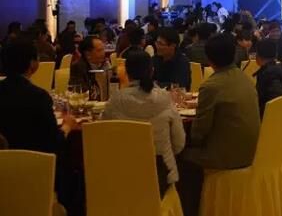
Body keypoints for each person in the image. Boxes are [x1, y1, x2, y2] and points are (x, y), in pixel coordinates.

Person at [179, 33, 261, 216]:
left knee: (181, 156)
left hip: (226, 156)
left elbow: (199, 133)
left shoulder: (212, 86)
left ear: (209, 59)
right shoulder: (246, 79)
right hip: (251, 150)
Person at [102, 50, 185, 197]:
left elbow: (104, 136)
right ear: (152, 71)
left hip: (124, 175)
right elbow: (179, 142)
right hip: (162, 174)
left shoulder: (116, 100)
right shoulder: (165, 99)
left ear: (126, 73)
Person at [0, 37, 77, 154]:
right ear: (32, 63)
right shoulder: (38, 96)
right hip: (36, 161)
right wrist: (67, 125)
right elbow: (54, 142)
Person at [254, 39, 282, 118]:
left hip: (269, 117)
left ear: (258, 56)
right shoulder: (280, 68)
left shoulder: (268, 74)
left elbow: (275, 100)